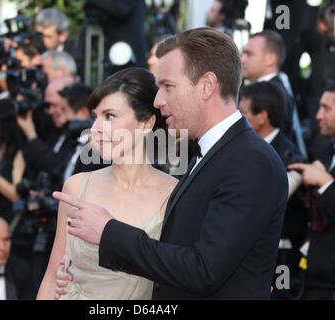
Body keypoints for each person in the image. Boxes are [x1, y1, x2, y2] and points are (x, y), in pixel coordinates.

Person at [53, 28, 288, 299]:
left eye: (167, 86)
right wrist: (81, 277)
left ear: (207, 86)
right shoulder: (211, 155)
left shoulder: (250, 161)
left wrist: (108, 232)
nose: (157, 101)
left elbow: (203, 271)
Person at [37, 67, 178, 299]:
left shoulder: (174, 195)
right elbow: (53, 277)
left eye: (110, 116)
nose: (95, 129)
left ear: (146, 123)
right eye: (95, 117)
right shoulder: (77, 187)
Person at [240, 81, 309, 298]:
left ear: (262, 117)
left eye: (243, 112)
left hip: (282, 259)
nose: (238, 118)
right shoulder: (246, 148)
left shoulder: (290, 157)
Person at [287, 82, 335, 299]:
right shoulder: (327, 150)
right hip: (314, 274)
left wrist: (325, 182)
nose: (317, 115)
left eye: (326, 108)